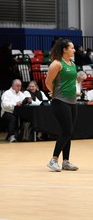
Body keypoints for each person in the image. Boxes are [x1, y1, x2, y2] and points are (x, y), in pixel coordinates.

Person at [45, 38, 78, 172]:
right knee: (66, 131)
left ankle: (66, 161)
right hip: (60, 101)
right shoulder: (56, 64)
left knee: (69, 132)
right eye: (71, 48)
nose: (74, 50)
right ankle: (53, 160)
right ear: (64, 50)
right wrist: (55, 93)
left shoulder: (72, 64)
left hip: (72, 101)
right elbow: (48, 82)